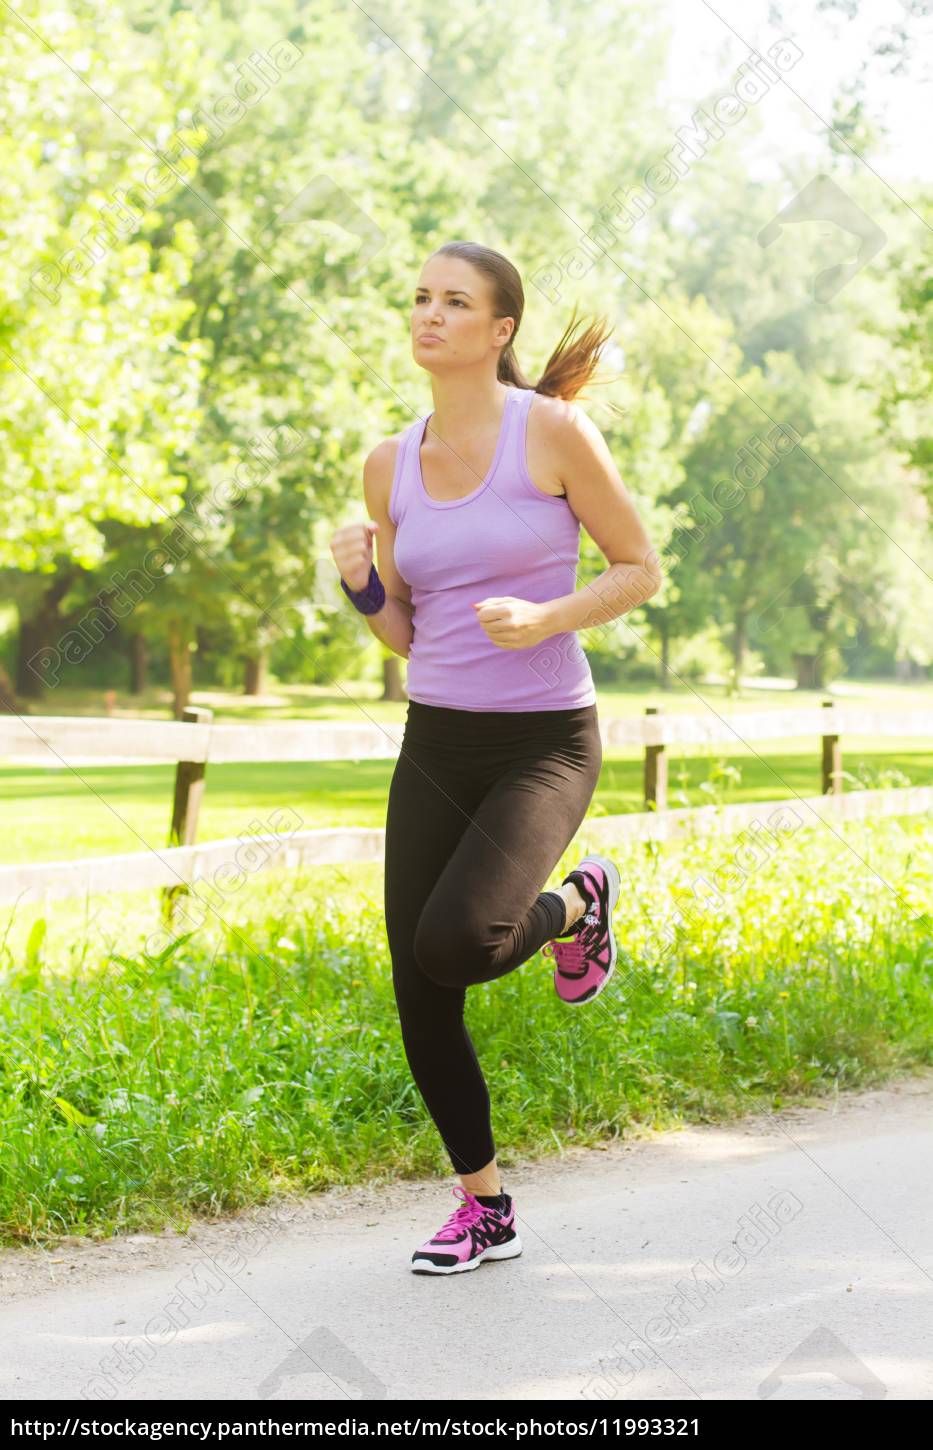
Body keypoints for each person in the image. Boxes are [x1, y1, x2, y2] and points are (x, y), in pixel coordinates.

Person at [330, 240, 662, 1276]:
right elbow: (406, 633)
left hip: (542, 741)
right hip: (436, 739)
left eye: (454, 301)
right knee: (417, 986)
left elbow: (639, 568)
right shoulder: (390, 461)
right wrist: (360, 588)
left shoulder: (553, 433)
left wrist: (550, 615)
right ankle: (486, 1207)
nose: (429, 315)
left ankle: (577, 905)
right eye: (420, 297)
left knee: (459, 944)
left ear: (499, 329)